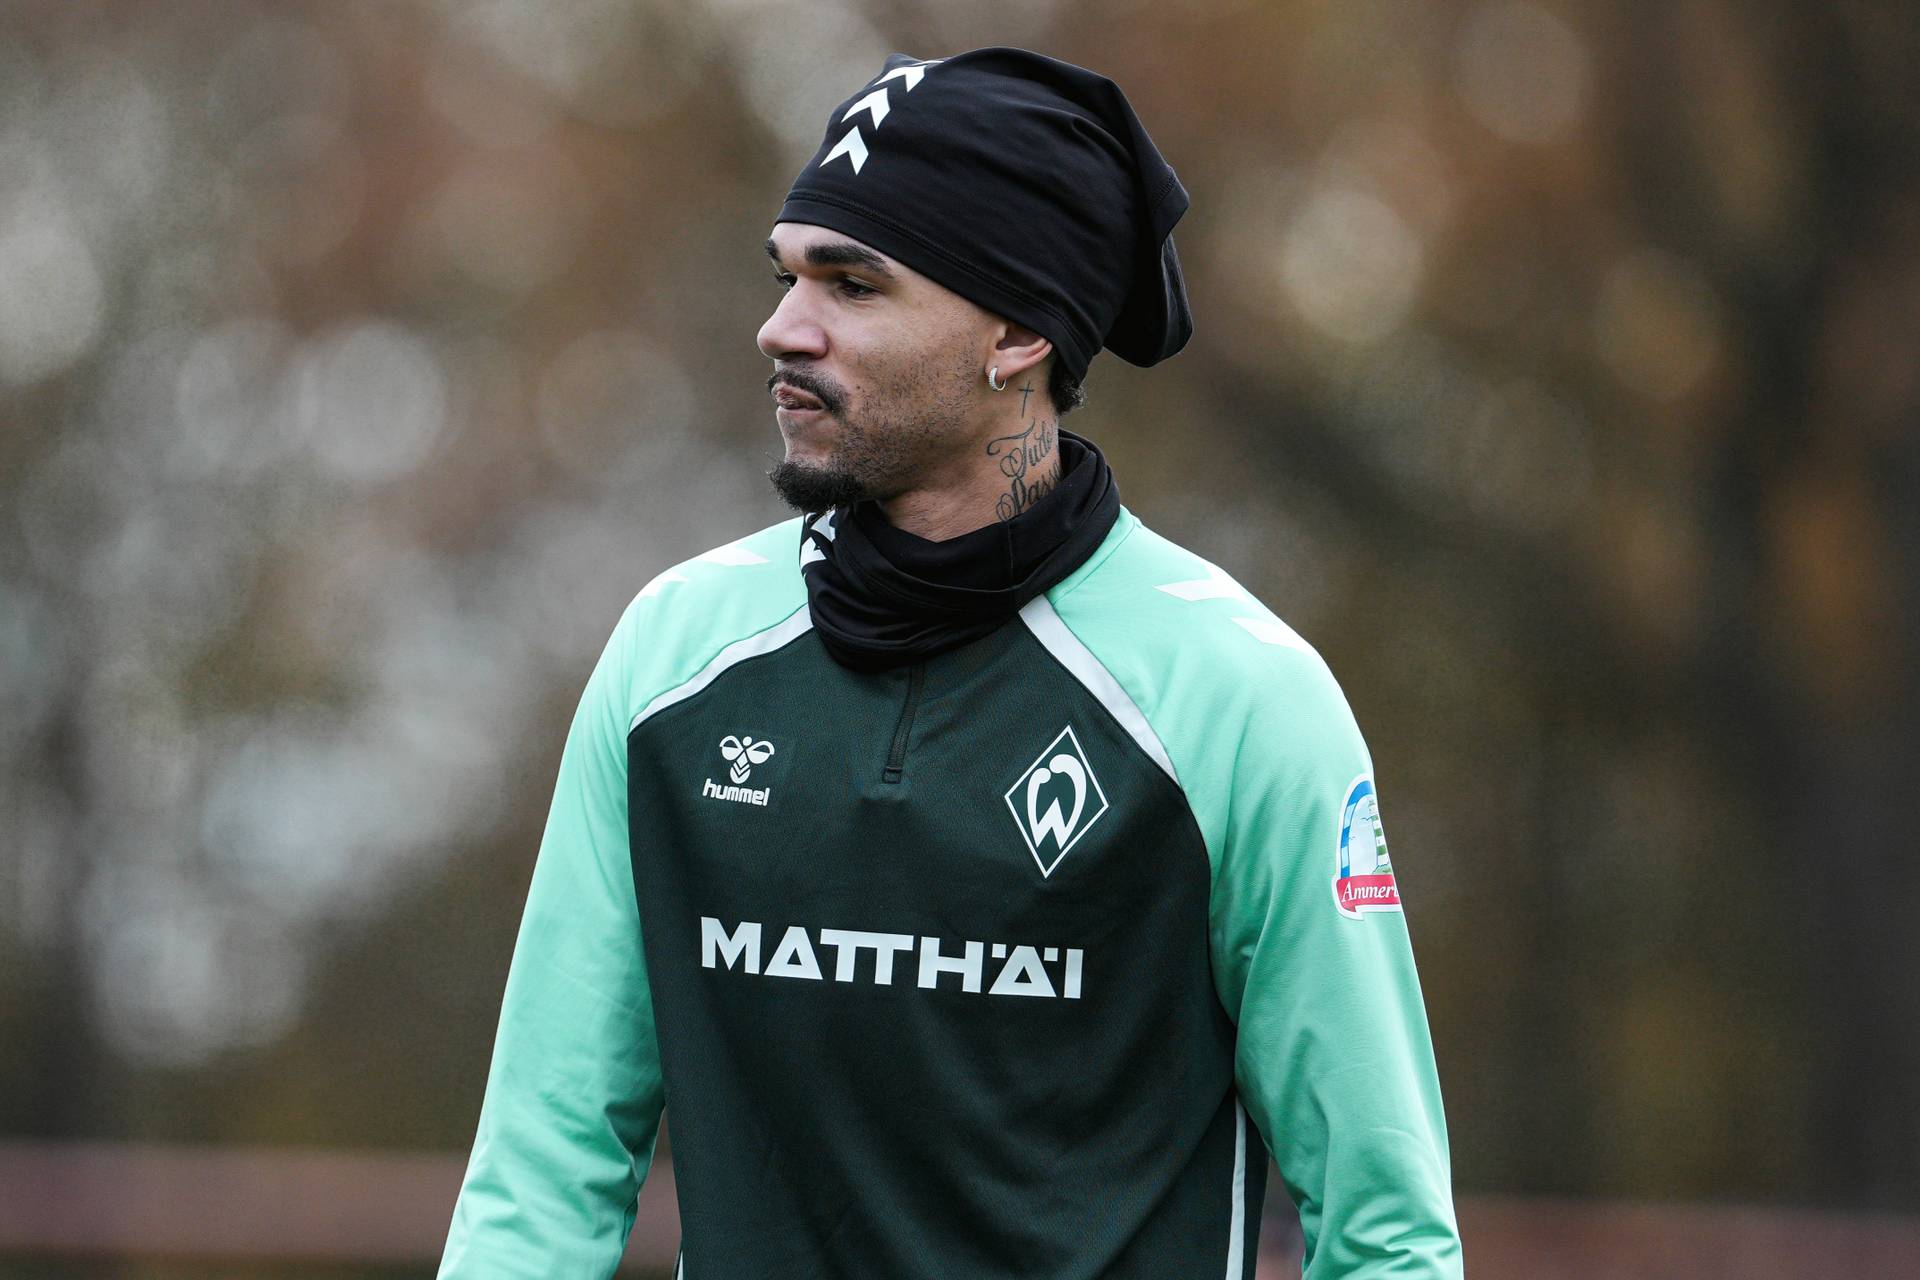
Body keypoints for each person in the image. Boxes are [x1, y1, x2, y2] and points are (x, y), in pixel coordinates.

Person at [440, 47, 1461, 1280]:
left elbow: (1390, 1226)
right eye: (789, 275)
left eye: (853, 284)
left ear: (1019, 331)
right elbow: (543, 1171)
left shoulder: (1242, 697)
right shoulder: (673, 659)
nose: (782, 325)